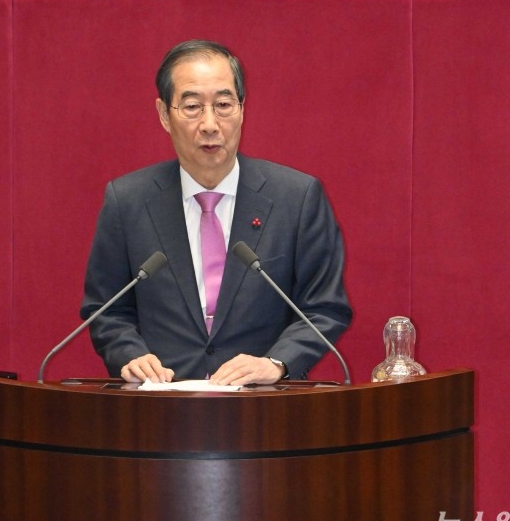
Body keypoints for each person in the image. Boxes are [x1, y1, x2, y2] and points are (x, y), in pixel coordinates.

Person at [81, 40, 352, 385]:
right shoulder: (128, 201)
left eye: (224, 105)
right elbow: (105, 311)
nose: (210, 124)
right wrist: (130, 355)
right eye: (192, 106)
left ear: (242, 108)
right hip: (159, 407)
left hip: (265, 409)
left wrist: (277, 362)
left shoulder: (297, 198)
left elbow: (325, 308)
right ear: (165, 114)